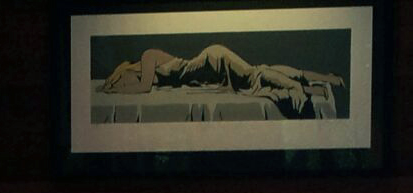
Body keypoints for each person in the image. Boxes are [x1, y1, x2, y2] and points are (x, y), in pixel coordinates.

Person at [100, 45, 345, 114]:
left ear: (125, 70)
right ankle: (323, 82)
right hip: (212, 67)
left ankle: (300, 87)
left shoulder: (148, 56)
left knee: (255, 76)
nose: (126, 84)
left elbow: (142, 88)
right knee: (262, 71)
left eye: (123, 80)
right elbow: (141, 84)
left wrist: (113, 90)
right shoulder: (148, 72)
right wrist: (114, 86)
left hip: (214, 60)